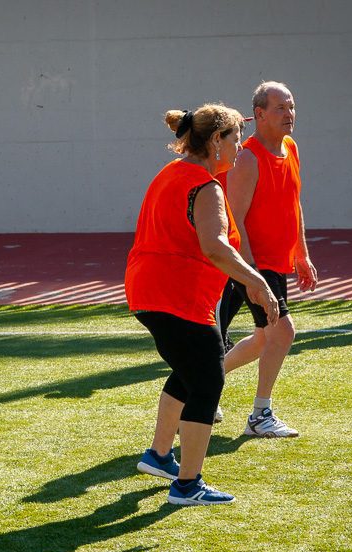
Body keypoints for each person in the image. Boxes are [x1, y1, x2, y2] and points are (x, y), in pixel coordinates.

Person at [125, 103, 280, 506]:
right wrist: (257, 281)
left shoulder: (172, 173)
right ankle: (188, 485)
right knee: (209, 379)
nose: (240, 145)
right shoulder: (205, 185)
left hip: (152, 292)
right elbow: (215, 247)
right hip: (178, 296)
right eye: (234, 138)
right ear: (215, 140)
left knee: (192, 371)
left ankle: (159, 456)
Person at [219, 82, 317, 439]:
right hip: (256, 264)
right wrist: (249, 275)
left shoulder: (290, 147)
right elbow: (235, 220)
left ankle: (197, 386)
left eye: (291, 107)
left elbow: (294, 202)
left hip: (277, 262)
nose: (289, 114)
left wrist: (301, 253)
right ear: (259, 114)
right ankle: (260, 415)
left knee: (263, 339)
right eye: (280, 108)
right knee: (283, 331)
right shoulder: (247, 157)